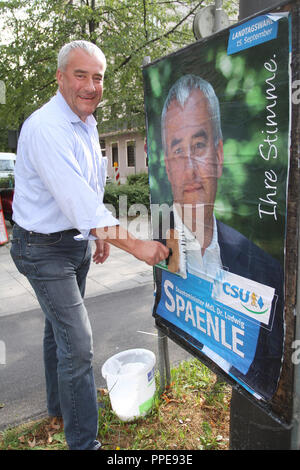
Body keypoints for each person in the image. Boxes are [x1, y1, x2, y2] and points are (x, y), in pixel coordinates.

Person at [10, 40, 169, 451]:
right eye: (80, 75)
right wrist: (137, 246)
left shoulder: (87, 120)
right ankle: (84, 443)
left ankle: (59, 408)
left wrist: (96, 234)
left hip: (72, 242)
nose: (91, 85)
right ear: (60, 77)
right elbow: (79, 202)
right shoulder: (47, 128)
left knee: (57, 331)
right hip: (41, 249)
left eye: (97, 77)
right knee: (78, 346)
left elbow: (88, 187)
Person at [153, 74, 284, 400]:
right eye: (177, 150)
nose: (191, 168)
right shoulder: (160, 243)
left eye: (198, 146)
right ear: (167, 166)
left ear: (219, 155)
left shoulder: (267, 272)